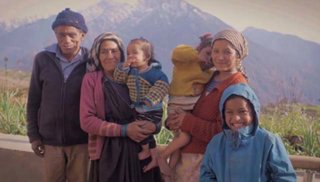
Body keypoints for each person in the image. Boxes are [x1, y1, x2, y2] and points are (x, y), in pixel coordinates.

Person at [165, 29, 249, 182]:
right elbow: (191, 108)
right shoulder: (210, 77)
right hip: (185, 160)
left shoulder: (237, 87)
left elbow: (226, 133)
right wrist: (174, 121)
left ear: (238, 55)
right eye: (215, 51)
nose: (219, 57)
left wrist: (187, 121)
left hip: (207, 164)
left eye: (227, 52)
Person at [80, 32, 162, 182]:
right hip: (108, 152)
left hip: (138, 148)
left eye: (114, 51)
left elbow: (149, 112)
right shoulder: (91, 80)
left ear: (122, 54)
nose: (109, 56)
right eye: (104, 51)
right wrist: (124, 130)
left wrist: (152, 145)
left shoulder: (135, 77)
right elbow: (87, 121)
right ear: (97, 55)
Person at [26, 8, 89, 182]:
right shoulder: (42, 59)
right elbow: (33, 101)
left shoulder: (92, 62)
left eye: (71, 34)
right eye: (61, 34)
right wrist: (34, 136)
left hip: (82, 142)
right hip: (50, 142)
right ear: (55, 34)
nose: (66, 40)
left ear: (82, 35)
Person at [200, 83, 297, 181]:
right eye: (229, 112)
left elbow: (285, 177)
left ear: (253, 113)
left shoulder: (268, 141)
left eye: (242, 111)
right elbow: (207, 175)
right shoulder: (216, 143)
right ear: (223, 114)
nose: (236, 118)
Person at [157, 34, 214, 180]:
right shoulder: (187, 62)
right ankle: (162, 156)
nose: (208, 58)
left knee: (179, 145)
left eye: (211, 57)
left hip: (188, 108)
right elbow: (177, 52)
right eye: (208, 53)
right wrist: (197, 55)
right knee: (184, 137)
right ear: (200, 49)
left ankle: (169, 173)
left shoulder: (207, 72)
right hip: (178, 104)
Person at [113, 38, 169, 172]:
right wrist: (124, 67)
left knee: (142, 128)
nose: (130, 56)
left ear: (146, 57)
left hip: (152, 110)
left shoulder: (155, 73)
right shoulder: (130, 72)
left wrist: (150, 99)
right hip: (137, 109)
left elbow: (162, 85)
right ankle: (153, 155)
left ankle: (145, 150)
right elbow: (118, 79)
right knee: (141, 127)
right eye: (128, 53)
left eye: (134, 53)